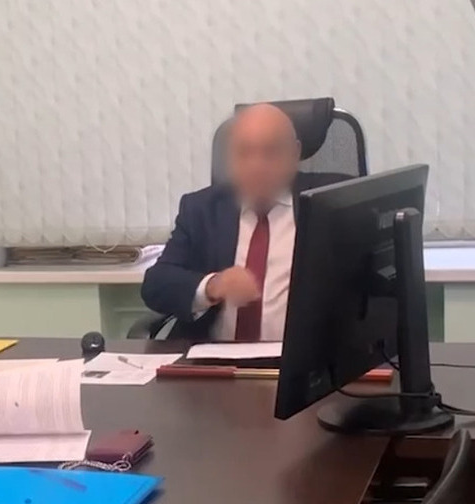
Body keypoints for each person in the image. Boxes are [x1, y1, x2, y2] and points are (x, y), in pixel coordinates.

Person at [141, 104, 352, 341]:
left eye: (270, 152)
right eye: (244, 153)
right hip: (215, 358)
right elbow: (156, 284)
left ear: (294, 153)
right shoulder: (202, 209)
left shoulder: (333, 202)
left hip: (303, 357)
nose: (256, 166)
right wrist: (212, 286)